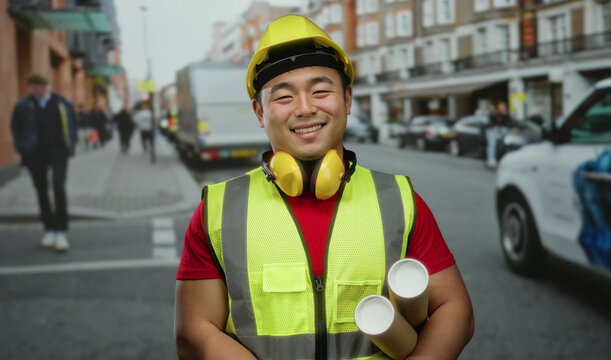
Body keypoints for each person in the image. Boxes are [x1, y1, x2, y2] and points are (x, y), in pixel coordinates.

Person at [174, 15, 474, 360]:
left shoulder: (399, 200)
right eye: (284, 97)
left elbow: (455, 310)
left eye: (320, 91)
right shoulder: (218, 210)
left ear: (347, 100)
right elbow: (194, 333)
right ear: (260, 112)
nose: (305, 108)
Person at [10, 74, 77, 252]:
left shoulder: (61, 103)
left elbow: (72, 125)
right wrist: (21, 147)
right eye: (32, 88)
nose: (35, 91)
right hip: (34, 154)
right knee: (41, 190)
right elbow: (15, 128)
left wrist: (72, 144)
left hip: (58, 152)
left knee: (58, 186)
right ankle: (49, 229)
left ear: (46, 86)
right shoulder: (23, 106)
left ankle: (61, 231)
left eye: (39, 87)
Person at [485, 101, 513, 168]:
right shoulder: (493, 114)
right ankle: (492, 159)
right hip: (492, 131)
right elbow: (490, 123)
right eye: (501, 106)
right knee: (492, 143)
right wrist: (495, 127)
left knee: (509, 140)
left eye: (504, 107)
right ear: (498, 107)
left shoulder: (506, 115)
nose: (503, 108)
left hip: (502, 131)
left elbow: (509, 124)